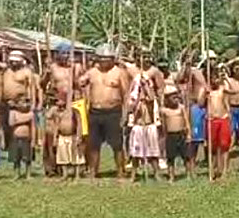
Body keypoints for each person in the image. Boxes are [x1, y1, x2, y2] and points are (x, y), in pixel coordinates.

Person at [79, 44, 129, 179]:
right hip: (95, 112)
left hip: (113, 112)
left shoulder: (119, 72)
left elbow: (126, 95)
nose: (103, 61)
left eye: (106, 59)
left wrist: (125, 115)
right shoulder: (92, 72)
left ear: (112, 59)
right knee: (93, 144)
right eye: (100, 58)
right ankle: (93, 171)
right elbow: (79, 83)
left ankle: (120, 171)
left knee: (117, 145)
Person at [0, 50, 34, 150]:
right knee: (5, 124)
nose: (14, 63)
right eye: (12, 61)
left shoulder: (26, 72)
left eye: (16, 61)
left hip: (20, 102)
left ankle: (22, 146)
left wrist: (31, 102)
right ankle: (6, 145)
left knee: (19, 125)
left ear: (21, 61)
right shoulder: (6, 69)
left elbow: (31, 88)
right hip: (5, 101)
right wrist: (0, 47)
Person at [128, 82, 161, 182]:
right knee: (135, 154)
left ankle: (156, 174)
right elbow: (131, 108)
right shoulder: (133, 98)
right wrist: (139, 99)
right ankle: (133, 175)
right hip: (138, 127)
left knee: (153, 152)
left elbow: (151, 99)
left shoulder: (151, 98)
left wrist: (146, 87)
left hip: (149, 126)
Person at [160, 85, 192, 182]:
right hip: (170, 135)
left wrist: (188, 134)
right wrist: (163, 137)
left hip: (181, 134)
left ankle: (188, 174)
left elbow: (186, 121)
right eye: (172, 97)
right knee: (170, 157)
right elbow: (163, 125)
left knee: (186, 156)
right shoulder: (164, 110)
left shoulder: (181, 108)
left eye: (176, 96)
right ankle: (171, 176)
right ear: (167, 99)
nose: (175, 98)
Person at [50, 92, 84, 180]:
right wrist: (55, 138)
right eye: (56, 101)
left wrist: (79, 136)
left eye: (59, 101)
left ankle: (77, 175)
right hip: (62, 136)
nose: (57, 103)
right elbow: (56, 125)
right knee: (62, 156)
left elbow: (79, 123)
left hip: (72, 136)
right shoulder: (57, 112)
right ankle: (65, 174)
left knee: (75, 155)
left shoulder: (74, 111)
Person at [207, 71, 233, 179]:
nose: (215, 81)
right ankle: (214, 169)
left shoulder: (222, 89)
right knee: (213, 147)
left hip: (223, 118)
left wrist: (226, 79)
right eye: (213, 78)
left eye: (217, 78)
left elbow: (233, 91)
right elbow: (200, 102)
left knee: (224, 145)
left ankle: (224, 170)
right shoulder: (208, 92)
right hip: (212, 120)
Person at [9, 95, 35, 179]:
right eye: (22, 102)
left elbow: (33, 127)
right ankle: (17, 174)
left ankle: (28, 174)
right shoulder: (13, 113)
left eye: (26, 102)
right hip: (16, 138)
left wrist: (33, 140)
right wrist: (24, 120)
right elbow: (11, 123)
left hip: (26, 138)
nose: (25, 104)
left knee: (28, 158)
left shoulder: (31, 114)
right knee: (16, 158)